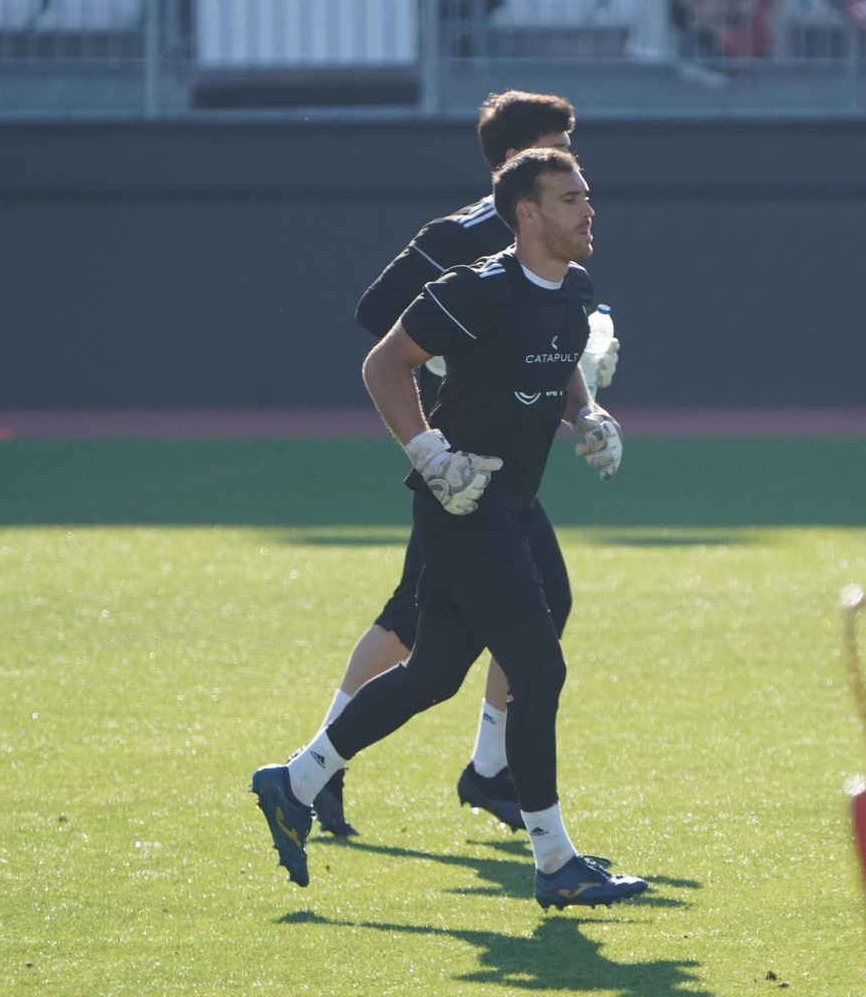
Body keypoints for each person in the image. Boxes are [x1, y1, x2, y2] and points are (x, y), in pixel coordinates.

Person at [252, 147, 648, 910]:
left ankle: (294, 781)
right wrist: (430, 453)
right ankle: (555, 862)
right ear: (527, 214)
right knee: (539, 670)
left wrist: (588, 415)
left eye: (586, 196)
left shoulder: (575, 289)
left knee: (433, 674)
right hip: (463, 511)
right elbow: (383, 364)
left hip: (512, 508)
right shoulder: (478, 289)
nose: (587, 210)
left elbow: (563, 357)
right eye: (570, 199)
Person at [311, 91, 617, 838]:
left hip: (503, 467)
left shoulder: (557, 236)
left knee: (508, 619)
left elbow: (552, 314)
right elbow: (381, 319)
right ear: (523, 158)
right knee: (413, 628)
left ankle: (480, 769)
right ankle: (320, 768)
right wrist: (443, 403)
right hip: (460, 463)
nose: (573, 157)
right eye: (559, 141)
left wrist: (583, 370)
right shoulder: (470, 233)